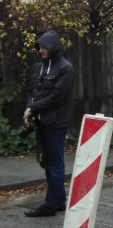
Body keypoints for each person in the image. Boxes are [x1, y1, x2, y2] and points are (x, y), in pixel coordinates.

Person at [23, 30, 74, 217]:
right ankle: (58, 201)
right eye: (39, 47)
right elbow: (31, 91)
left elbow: (57, 97)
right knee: (46, 162)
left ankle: (51, 205)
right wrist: (29, 108)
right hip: (41, 122)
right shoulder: (39, 68)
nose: (40, 51)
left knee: (55, 163)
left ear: (53, 47)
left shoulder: (65, 68)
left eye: (44, 47)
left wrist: (33, 108)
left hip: (56, 122)